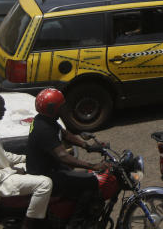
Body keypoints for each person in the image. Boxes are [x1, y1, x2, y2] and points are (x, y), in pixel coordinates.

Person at [0, 94, 52, 229]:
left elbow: (2, 155)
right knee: (45, 183)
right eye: (1, 107)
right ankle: (28, 224)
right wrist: (13, 171)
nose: (5, 110)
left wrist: (27, 158)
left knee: (35, 167)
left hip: (0, 174)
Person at [26, 88, 106, 221]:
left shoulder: (44, 119)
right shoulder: (44, 129)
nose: (63, 108)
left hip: (51, 167)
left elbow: (64, 134)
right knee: (91, 180)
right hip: (45, 174)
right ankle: (77, 221)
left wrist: (88, 147)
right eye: (60, 106)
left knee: (79, 177)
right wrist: (94, 166)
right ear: (52, 109)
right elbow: (63, 156)